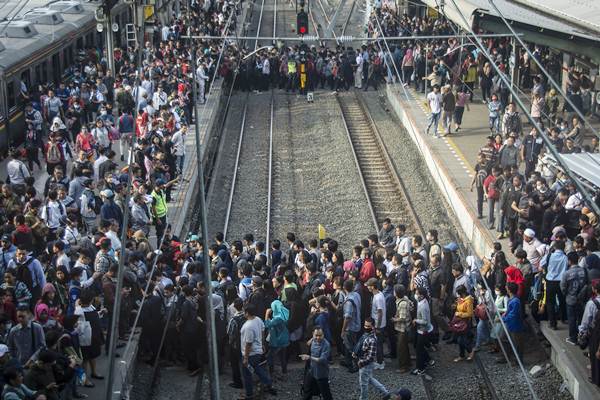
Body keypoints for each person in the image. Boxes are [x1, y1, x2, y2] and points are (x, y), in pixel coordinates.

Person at [239, 304, 276, 399]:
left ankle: (249, 394)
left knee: (247, 374)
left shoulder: (248, 326)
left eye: (244, 311)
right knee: (257, 369)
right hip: (258, 351)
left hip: (251, 354)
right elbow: (263, 331)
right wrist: (262, 344)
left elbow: (248, 343)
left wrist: (246, 358)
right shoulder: (258, 320)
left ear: (247, 313)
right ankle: (268, 383)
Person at [354, 317, 392, 400]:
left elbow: (371, 357)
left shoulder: (372, 339)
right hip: (364, 363)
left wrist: (361, 362)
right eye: (365, 325)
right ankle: (385, 392)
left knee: (363, 384)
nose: (366, 327)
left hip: (365, 364)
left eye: (368, 326)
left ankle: (364, 398)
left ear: (373, 327)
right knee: (370, 379)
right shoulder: (367, 335)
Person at [561, 252, 587, 345]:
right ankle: (581, 337)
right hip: (581, 299)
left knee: (571, 319)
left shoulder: (566, 273)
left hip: (570, 298)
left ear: (569, 261)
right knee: (580, 318)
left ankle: (573, 338)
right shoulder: (584, 271)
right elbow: (586, 284)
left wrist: (567, 294)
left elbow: (563, 287)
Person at [300, 327, 332, 400]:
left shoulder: (326, 345)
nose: (318, 337)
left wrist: (309, 357)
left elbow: (322, 360)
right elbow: (310, 341)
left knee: (326, 394)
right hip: (312, 370)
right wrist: (311, 339)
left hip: (321, 373)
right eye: (316, 335)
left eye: (320, 335)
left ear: (323, 335)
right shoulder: (313, 340)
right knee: (307, 389)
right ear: (313, 334)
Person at [497, 282, 524, 364]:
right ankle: (506, 356)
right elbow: (509, 312)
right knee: (504, 339)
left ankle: (518, 360)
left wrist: (503, 319)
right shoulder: (511, 299)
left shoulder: (515, 301)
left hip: (515, 325)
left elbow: (513, 315)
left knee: (517, 344)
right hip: (509, 324)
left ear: (509, 290)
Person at [340, 279, 361, 373]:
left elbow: (347, 317)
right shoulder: (356, 295)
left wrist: (343, 330)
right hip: (357, 323)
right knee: (349, 345)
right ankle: (347, 361)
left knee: (350, 347)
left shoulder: (349, 301)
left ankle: (354, 365)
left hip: (350, 327)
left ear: (344, 288)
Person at [264, 300, 289, 375]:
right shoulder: (284, 313)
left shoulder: (277, 318)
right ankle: (284, 371)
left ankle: (271, 373)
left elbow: (267, 325)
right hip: (284, 339)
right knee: (282, 356)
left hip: (277, 340)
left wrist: (267, 314)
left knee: (270, 356)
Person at [392, 284, 412, 372]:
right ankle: (408, 362)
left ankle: (403, 367)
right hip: (405, 327)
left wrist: (394, 319)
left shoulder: (402, 303)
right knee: (405, 346)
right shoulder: (405, 298)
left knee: (401, 348)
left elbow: (402, 318)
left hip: (402, 328)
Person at [452, 285, 474, 362]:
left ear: (462, 293)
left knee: (463, 340)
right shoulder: (460, 299)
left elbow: (470, 314)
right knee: (459, 339)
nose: (458, 295)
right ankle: (461, 355)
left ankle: (470, 352)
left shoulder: (469, 301)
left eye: (459, 293)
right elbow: (458, 307)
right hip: (459, 322)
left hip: (465, 323)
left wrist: (459, 314)